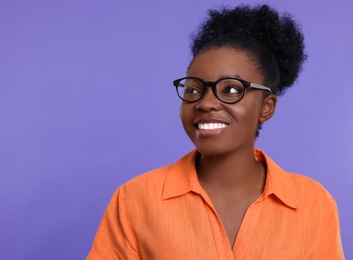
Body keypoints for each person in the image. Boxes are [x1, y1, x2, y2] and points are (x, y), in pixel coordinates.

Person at [87, 4, 344, 259]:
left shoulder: (314, 203)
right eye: (193, 89)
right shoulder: (135, 199)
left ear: (266, 107)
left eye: (231, 90)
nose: (205, 102)